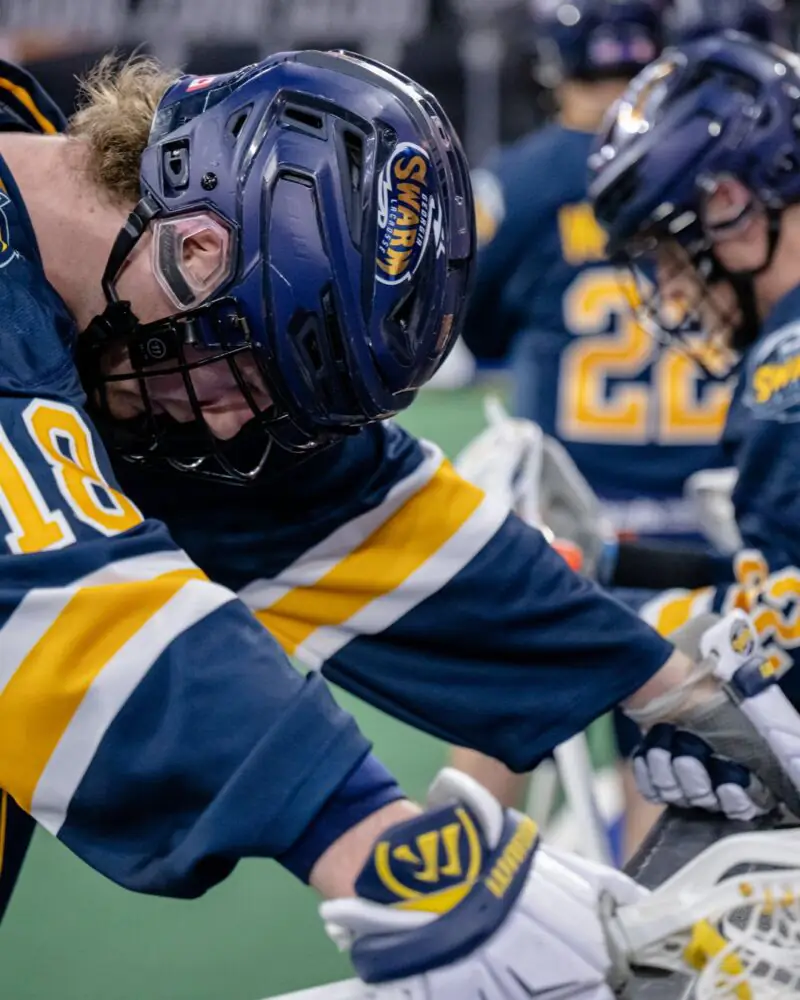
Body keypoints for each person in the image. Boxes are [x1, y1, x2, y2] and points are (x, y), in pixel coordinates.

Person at [0, 48, 796, 999]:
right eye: (248, 378)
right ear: (198, 250)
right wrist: (388, 860)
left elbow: (327, 507)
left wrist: (666, 685)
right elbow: (54, 594)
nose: (233, 424)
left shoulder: (108, 301)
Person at [454, 0, 732, 856]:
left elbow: (469, 323)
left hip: (564, 525)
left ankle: (437, 908)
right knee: (665, 778)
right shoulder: (712, 163)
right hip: (697, 533)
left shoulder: (524, 178)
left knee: (491, 750)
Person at [588, 30, 800, 819]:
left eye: (673, 250)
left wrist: (719, 701)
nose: (672, 287)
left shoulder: (787, 363)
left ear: (732, 204)